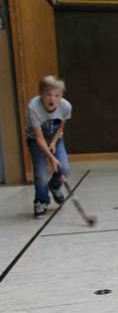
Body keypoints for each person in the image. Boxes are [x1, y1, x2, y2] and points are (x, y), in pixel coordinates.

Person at [26, 76, 72, 219]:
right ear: (41, 94)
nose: (52, 99)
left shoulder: (66, 106)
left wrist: (53, 142)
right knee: (41, 173)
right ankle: (41, 201)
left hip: (55, 138)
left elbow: (61, 126)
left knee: (64, 168)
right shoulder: (34, 107)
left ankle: (54, 186)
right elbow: (39, 138)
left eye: (57, 95)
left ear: (61, 96)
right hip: (36, 140)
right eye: (48, 95)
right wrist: (51, 158)